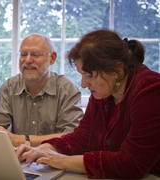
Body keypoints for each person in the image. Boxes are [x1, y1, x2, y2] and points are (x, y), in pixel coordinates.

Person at [16, 29, 160, 179]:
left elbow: (130, 164)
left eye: (89, 75)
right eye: (82, 75)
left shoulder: (150, 91)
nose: (84, 84)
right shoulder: (105, 89)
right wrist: (44, 149)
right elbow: (82, 136)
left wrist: (61, 160)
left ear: (117, 70)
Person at [0, 33, 83, 147]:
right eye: (23, 54)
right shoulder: (9, 87)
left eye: (35, 54)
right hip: (17, 159)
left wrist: (23, 140)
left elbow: (71, 136)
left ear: (52, 58)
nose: (27, 60)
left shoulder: (67, 90)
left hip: (53, 160)